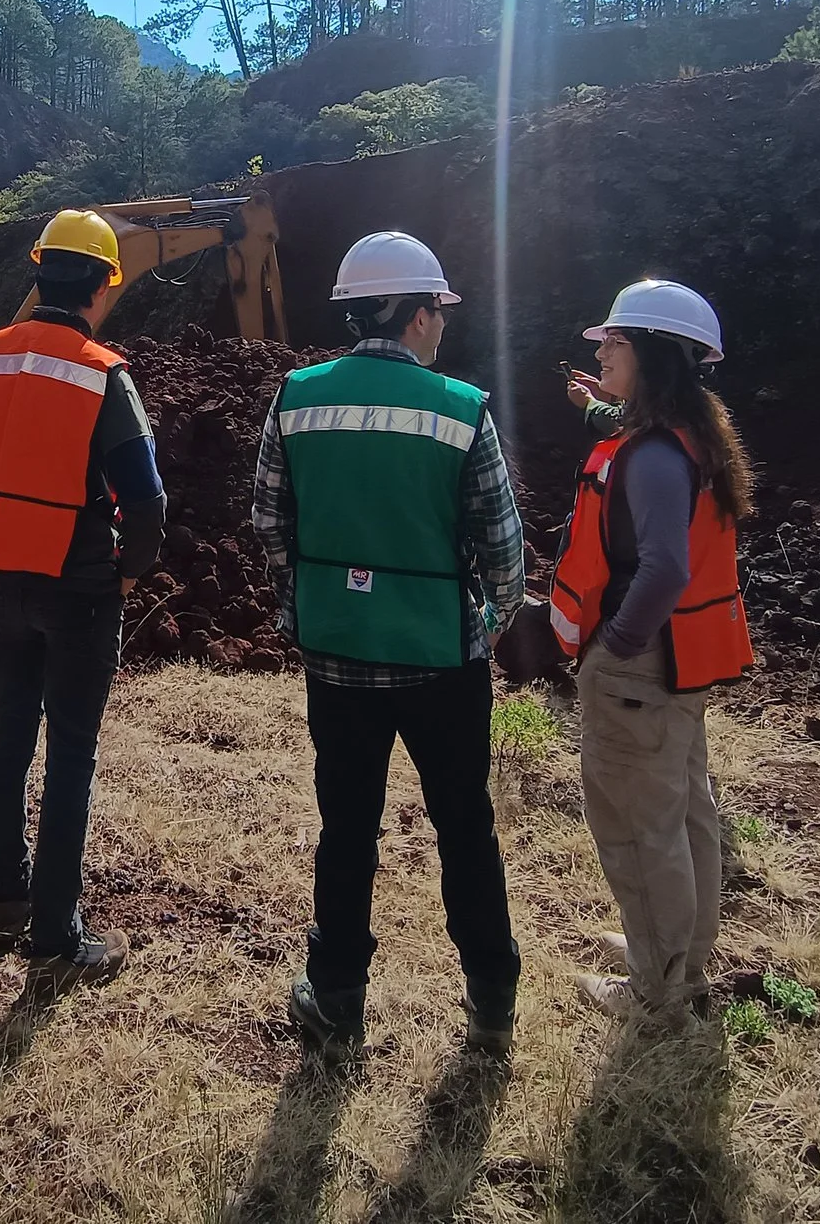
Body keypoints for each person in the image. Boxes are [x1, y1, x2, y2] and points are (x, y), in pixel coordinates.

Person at [249, 231, 528, 1061]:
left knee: (347, 828)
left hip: (336, 657)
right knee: (464, 827)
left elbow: (269, 523)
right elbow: (504, 550)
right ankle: (491, 1005)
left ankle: (336, 997)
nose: (442, 323)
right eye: (437, 309)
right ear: (415, 314)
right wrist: (490, 620)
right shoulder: (462, 409)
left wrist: (307, 606)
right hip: (442, 658)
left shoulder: (296, 397)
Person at [0, 210, 166, 993]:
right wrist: (129, 572)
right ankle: (57, 937)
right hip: (80, 591)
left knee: (10, 735)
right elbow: (146, 499)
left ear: (40, 273)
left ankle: (7, 899)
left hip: (5, 583)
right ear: (104, 284)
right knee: (71, 753)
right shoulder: (103, 373)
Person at [553, 278, 758, 1021]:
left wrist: (616, 645)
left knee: (638, 831)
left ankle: (656, 992)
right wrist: (594, 407)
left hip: (638, 668)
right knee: (685, 815)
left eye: (615, 340)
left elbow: (664, 567)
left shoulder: (653, 458)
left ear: (652, 353)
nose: (602, 350)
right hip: (680, 661)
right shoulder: (686, 433)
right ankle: (677, 958)